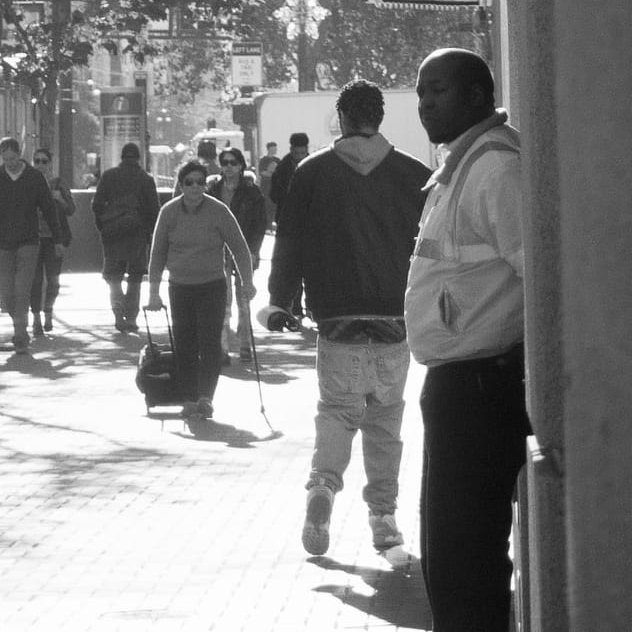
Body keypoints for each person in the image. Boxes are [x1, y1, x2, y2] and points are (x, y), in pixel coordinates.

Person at [266, 80, 430, 566]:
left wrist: (282, 302)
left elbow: (290, 241)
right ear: (380, 118)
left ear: (340, 116)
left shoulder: (313, 172)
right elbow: (430, 251)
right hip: (393, 319)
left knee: (337, 411)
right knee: (385, 420)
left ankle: (322, 486)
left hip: (336, 317)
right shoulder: (413, 175)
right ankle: (383, 516)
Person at [405, 52, 528, 632]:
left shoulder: (496, 169)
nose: (427, 102)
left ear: (478, 96)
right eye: (423, 91)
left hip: (485, 388)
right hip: (459, 387)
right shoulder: (464, 164)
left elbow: (547, 279)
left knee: (466, 562)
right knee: (451, 559)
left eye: (440, 91)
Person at [146, 157, 255, 425]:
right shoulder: (169, 212)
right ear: (181, 185)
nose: (195, 188)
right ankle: (189, 399)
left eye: (200, 182)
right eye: (189, 182)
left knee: (209, 344)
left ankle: (206, 398)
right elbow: (158, 253)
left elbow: (239, 247)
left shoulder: (218, 211)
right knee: (184, 345)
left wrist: (247, 282)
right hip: (180, 287)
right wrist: (153, 292)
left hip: (212, 287)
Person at [0, 137, 61, 356]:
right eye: (5, 159)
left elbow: (48, 208)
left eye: (13, 158)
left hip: (28, 240)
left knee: (22, 288)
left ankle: (20, 334)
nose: (10, 163)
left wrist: (58, 238)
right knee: (6, 292)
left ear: (20, 154)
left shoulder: (34, 178)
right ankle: (18, 323)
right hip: (5, 242)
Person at [207, 146, 269, 365]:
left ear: (241, 165)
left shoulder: (251, 192)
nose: (229, 167)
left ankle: (245, 345)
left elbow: (260, 224)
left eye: (234, 162)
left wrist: (253, 251)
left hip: (244, 250)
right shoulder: (213, 189)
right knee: (223, 302)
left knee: (243, 300)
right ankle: (222, 349)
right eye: (225, 163)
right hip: (218, 251)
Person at [93, 143, 160, 334]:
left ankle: (117, 313)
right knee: (136, 276)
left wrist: (104, 225)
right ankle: (131, 317)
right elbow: (154, 210)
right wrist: (150, 233)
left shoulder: (108, 176)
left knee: (114, 276)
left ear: (122, 157)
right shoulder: (146, 179)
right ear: (138, 158)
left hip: (113, 232)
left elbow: (97, 205)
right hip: (137, 233)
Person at [29, 148, 73, 334]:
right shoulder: (28, 182)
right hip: (33, 237)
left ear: (50, 164)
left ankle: (49, 311)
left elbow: (71, 209)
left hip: (55, 239)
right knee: (35, 280)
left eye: (44, 161)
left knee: (53, 279)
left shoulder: (57, 184)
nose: (40, 165)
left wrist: (60, 199)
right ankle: (37, 317)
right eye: (36, 161)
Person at [269, 131, 312, 216]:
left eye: (302, 153)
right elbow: (273, 195)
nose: (300, 157)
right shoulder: (281, 170)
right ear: (291, 150)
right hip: (287, 217)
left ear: (307, 149)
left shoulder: (314, 167)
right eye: (296, 153)